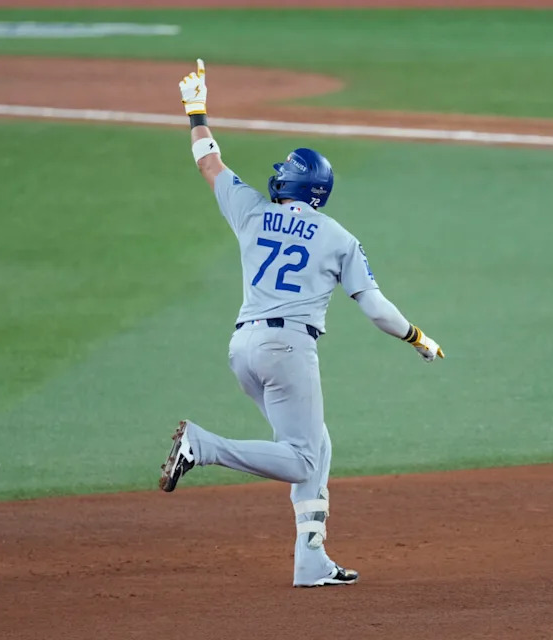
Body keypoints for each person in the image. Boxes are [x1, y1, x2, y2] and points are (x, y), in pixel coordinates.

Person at [160, 60, 444, 588]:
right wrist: (418, 338)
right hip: (288, 350)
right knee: (299, 457)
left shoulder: (251, 210)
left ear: (289, 182)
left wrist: (195, 109)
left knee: (317, 446)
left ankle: (311, 559)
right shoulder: (338, 237)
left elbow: (209, 162)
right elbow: (377, 309)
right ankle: (202, 446)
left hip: (241, 349)